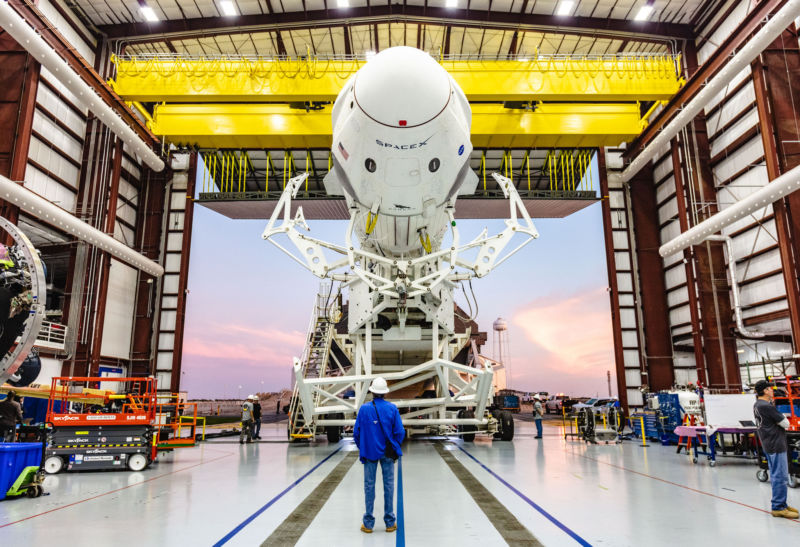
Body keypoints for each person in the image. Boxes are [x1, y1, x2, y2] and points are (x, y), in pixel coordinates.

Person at [353, 377, 405, 534]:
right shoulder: (392, 409)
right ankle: (390, 522)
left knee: (369, 486)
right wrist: (394, 446)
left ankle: (368, 524)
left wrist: (364, 447)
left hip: (369, 453)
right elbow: (400, 432)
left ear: (372, 392)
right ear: (385, 394)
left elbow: (356, 433)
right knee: (388, 486)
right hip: (387, 454)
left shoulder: (364, 409)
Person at [753, 379, 798, 519]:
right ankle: (778, 507)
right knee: (780, 476)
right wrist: (784, 417)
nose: (772, 391)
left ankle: (780, 504)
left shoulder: (758, 404)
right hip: (776, 444)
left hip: (769, 444)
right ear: (765, 391)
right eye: (770, 389)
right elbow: (785, 423)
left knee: (776, 475)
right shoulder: (766, 406)